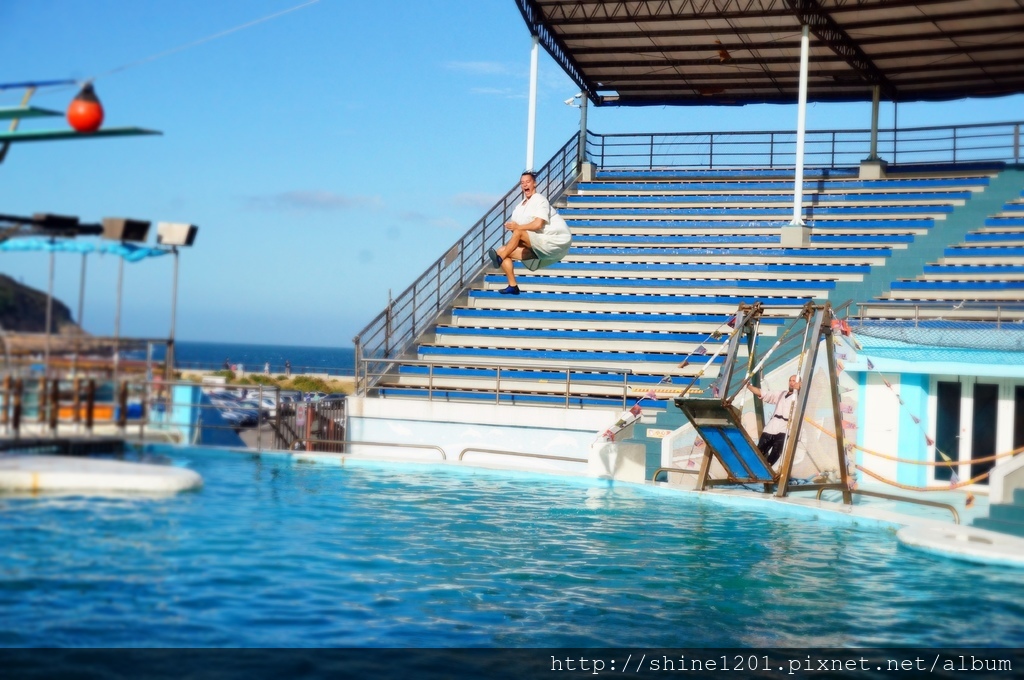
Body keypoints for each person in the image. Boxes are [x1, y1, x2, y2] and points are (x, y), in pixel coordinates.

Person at [486, 171, 572, 295]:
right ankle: (513, 286)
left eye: (528, 182)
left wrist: (517, 228)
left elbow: (538, 224)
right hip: (538, 247)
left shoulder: (540, 200)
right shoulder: (518, 208)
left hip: (556, 241)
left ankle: (499, 259)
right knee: (502, 250)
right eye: (522, 183)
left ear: (534, 183)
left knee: (514, 238)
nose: (525, 185)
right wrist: (514, 228)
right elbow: (518, 236)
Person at [746, 374, 801, 466]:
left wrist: (801, 386)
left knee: (774, 455)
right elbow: (762, 393)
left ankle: (768, 473)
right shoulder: (781, 394)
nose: (792, 383)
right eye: (790, 380)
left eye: (794, 381)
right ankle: (750, 469)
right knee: (758, 452)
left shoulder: (800, 397)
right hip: (771, 427)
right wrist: (748, 386)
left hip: (785, 429)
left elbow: (811, 390)